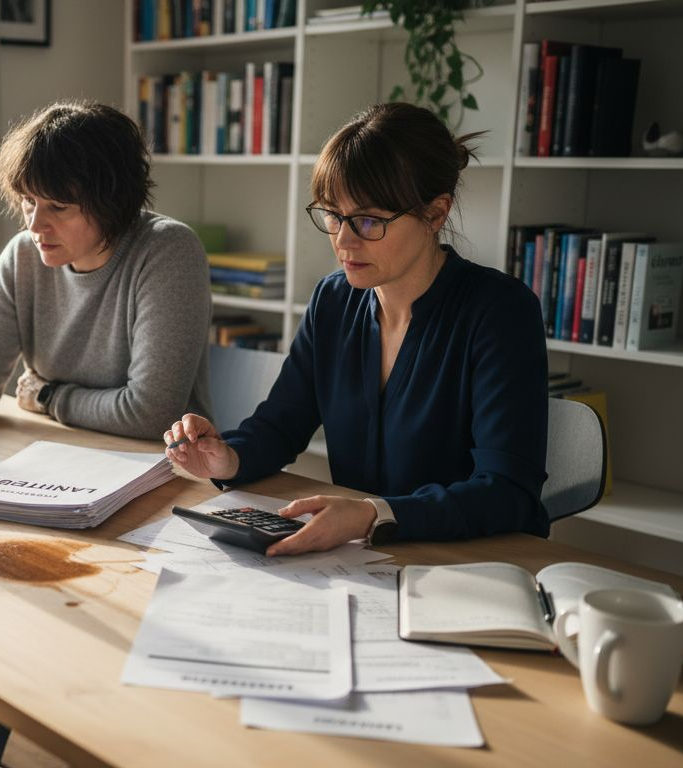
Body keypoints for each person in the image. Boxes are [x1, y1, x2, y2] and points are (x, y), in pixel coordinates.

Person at [0, 100, 213, 768]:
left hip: (153, 495)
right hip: (54, 475)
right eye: (27, 201)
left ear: (110, 200)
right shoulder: (25, 256)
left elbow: (149, 410)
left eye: (57, 206)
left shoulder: (167, 250)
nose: (34, 223)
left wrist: (49, 394)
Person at [166, 102, 549, 555]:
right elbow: (281, 425)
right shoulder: (333, 301)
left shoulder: (500, 311)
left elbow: (508, 492)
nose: (344, 241)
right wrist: (228, 457)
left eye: (368, 220)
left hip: (468, 564)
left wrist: (375, 514)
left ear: (435, 213)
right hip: (360, 560)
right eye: (333, 215)